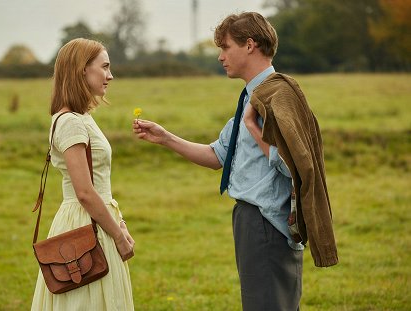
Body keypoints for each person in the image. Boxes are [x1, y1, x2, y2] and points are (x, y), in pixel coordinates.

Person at [133, 12, 337, 311]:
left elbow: (295, 167)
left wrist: (256, 130)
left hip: (267, 222)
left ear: (250, 45)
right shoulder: (251, 98)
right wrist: (165, 137)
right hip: (251, 220)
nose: (220, 56)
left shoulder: (278, 95)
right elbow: (218, 156)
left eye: (226, 47)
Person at [31, 38, 135, 311]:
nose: (110, 75)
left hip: (99, 218)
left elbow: (100, 185)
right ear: (81, 71)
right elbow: (85, 192)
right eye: (104, 67)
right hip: (85, 221)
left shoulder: (82, 117)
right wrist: (119, 236)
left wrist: (119, 222)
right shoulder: (70, 123)